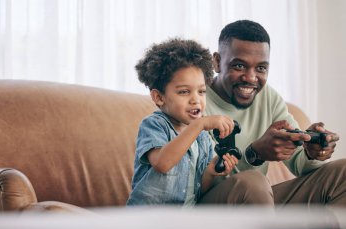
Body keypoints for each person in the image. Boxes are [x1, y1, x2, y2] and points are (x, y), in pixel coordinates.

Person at [201, 19, 346, 205]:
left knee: (343, 172)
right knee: (254, 182)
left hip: (258, 202)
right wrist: (254, 155)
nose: (251, 78)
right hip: (212, 206)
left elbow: (300, 164)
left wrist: (311, 152)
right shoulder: (196, 99)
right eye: (239, 66)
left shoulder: (268, 97)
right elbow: (201, 179)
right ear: (217, 62)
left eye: (261, 68)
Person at [126, 38, 239, 206]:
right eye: (184, 92)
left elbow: (198, 189)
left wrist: (212, 170)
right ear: (159, 97)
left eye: (201, 91)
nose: (196, 100)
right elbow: (162, 163)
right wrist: (199, 124)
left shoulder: (203, 139)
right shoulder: (154, 125)